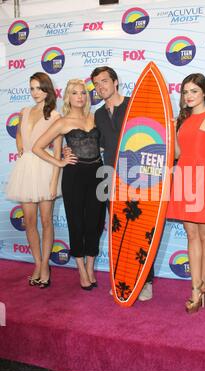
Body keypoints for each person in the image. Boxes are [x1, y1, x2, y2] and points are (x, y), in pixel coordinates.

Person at [65, 66, 154, 301]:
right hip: (109, 177)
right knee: (118, 231)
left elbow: (153, 134)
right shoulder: (98, 115)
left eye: (104, 81)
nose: (101, 87)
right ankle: (123, 278)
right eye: (96, 84)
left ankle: (145, 280)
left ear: (115, 82)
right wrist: (67, 150)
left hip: (138, 177)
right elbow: (93, 143)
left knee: (140, 229)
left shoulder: (133, 105)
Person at [33, 79, 106, 291]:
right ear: (68, 97)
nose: (80, 96)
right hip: (74, 176)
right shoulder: (62, 122)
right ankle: (81, 269)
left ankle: (90, 267)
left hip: (98, 174)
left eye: (83, 92)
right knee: (77, 224)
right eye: (75, 93)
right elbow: (37, 147)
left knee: (95, 222)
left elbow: (101, 145)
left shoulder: (95, 117)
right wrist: (60, 161)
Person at [166, 73, 205, 313]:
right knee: (192, 235)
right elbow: (179, 154)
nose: (189, 96)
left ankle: (202, 285)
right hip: (184, 177)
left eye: (194, 91)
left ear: (204, 94)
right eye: (185, 92)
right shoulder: (183, 120)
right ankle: (195, 288)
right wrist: (171, 130)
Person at [6, 72, 61, 288]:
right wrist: (21, 147)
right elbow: (20, 134)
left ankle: (45, 266)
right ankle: (37, 264)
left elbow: (57, 152)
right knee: (29, 221)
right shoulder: (24, 111)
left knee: (46, 221)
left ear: (48, 89)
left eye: (39, 88)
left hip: (45, 170)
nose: (35, 92)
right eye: (32, 88)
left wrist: (54, 181)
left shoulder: (55, 116)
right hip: (26, 169)